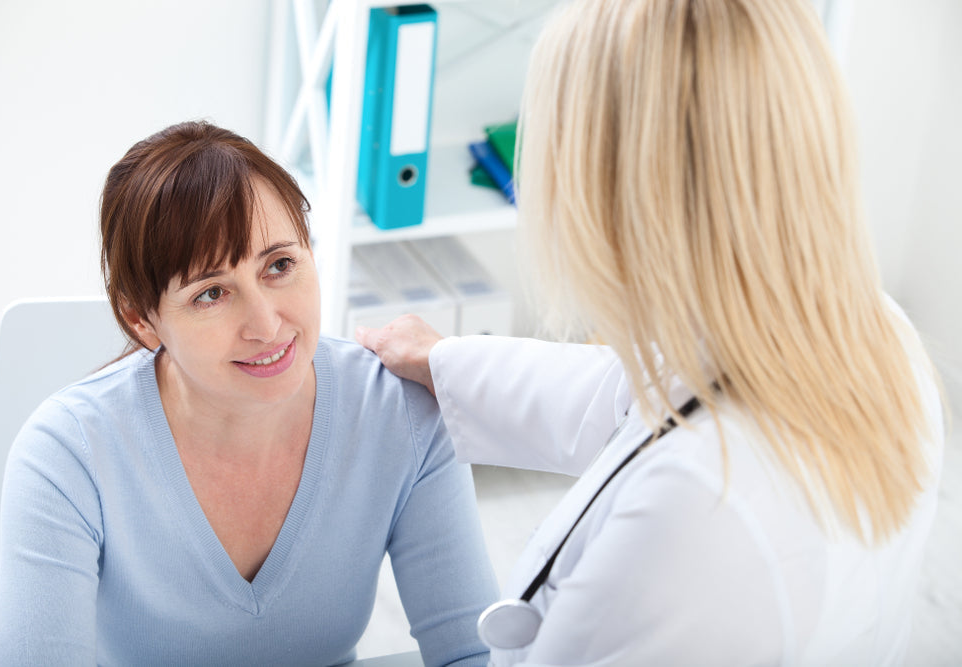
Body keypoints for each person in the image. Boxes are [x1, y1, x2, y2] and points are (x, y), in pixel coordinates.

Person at [357, 0, 947, 664]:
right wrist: (446, 360)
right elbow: (640, 392)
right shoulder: (879, 337)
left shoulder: (697, 521)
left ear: (613, 191)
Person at [0, 121, 499, 665]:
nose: (266, 324)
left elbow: (472, 651)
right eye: (211, 293)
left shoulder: (402, 412)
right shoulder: (68, 454)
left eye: (280, 265)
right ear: (141, 319)